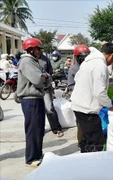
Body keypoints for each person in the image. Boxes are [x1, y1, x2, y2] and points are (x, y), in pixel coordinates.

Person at [70, 43, 113, 153]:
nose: (112, 63)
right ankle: (92, 166)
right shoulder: (100, 66)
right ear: (111, 55)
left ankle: (85, 161)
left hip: (79, 105)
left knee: (86, 139)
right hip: (87, 108)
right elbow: (100, 92)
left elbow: (78, 78)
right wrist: (110, 106)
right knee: (96, 142)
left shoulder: (88, 61)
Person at [17, 37, 52, 167]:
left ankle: (37, 154)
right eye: (38, 49)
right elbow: (38, 80)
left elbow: (46, 77)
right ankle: (31, 159)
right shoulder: (27, 61)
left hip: (36, 98)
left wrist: (46, 77)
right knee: (33, 129)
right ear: (30, 49)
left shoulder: (33, 61)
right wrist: (45, 77)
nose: (40, 51)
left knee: (38, 129)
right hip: (30, 99)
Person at [39, 54, 64, 137]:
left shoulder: (45, 59)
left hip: (45, 88)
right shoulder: (27, 60)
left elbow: (50, 73)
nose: (39, 51)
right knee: (37, 111)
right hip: (33, 90)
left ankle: (56, 128)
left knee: (49, 109)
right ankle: (39, 129)